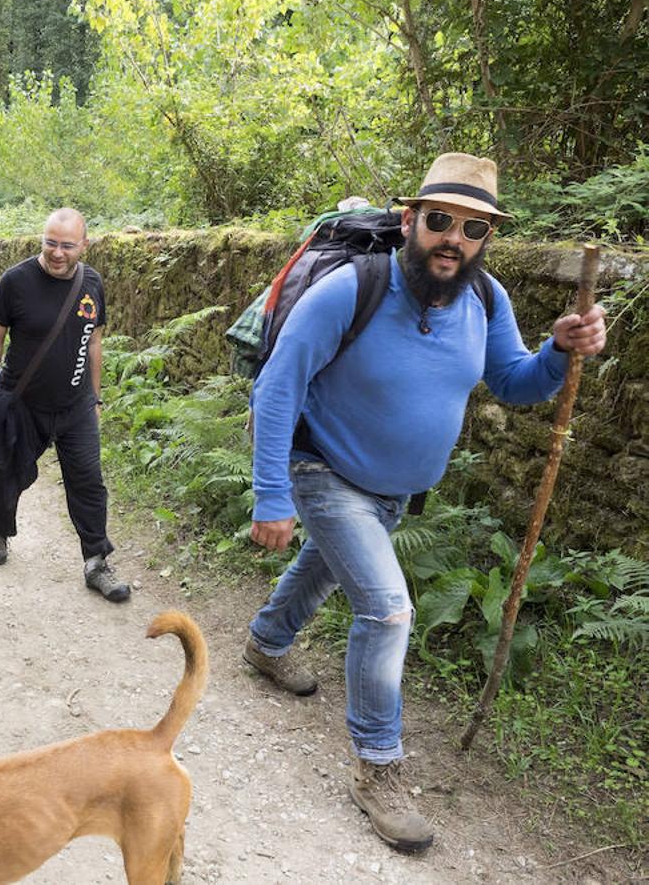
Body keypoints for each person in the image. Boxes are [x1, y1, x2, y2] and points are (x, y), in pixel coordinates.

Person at [242, 153, 607, 853]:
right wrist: (272, 493)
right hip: (321, 468)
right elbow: (278, 386)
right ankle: (379, 770)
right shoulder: (351, 290)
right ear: (409, 220)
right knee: (387, 608)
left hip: (395, 489)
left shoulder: (487, 301)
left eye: (474, 229)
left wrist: (559, 350)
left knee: (328, 566)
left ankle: (267, 642)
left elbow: (514, 382)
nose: (455, 239)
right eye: (440, 220)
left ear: (486, 239)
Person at [0, 207, 130, 603]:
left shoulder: (92, 282)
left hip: (76, 405)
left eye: (66, 245)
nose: (57, 252)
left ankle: (96, 561)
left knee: (88, 482)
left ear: (84, 244)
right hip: (23, 402)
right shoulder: (16, 281)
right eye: (50, 242)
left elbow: (94, 340)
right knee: (8, 469)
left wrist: (96, 395)